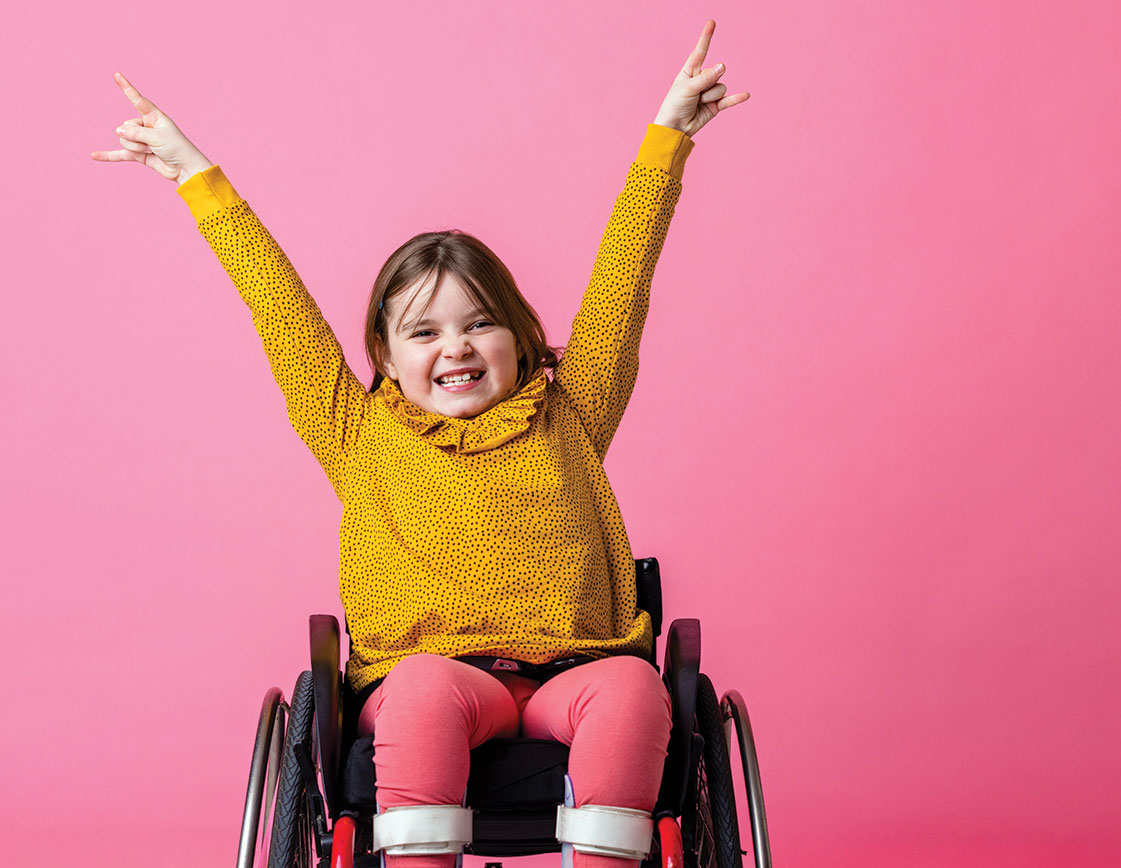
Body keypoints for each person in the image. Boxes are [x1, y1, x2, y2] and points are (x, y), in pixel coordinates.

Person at [93, 19, 748, 868]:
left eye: (480, 323)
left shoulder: (572, 412)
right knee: (424, 691)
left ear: (520, 338)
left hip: (572, 675)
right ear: (388, 360)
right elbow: (281, 311)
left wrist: (666, 144)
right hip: (429, 678)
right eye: (425, 332)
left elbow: (623, 286)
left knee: (633, 692)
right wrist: (196, 177)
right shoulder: (357, 429)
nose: (457, 348)